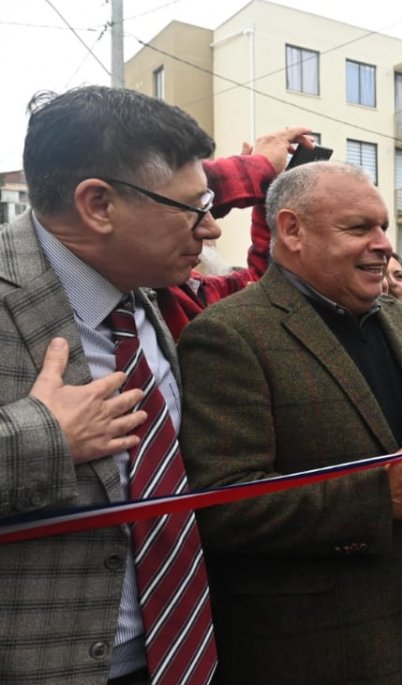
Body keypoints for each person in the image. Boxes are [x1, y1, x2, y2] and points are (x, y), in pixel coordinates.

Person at [177, 161, 402, 684]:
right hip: (309, 652)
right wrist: (378, 499)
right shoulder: (228, 336)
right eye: (359, 228)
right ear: (292, 230)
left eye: (383, 227)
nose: (383, 245)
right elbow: (222, 506)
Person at [0, 85, 219, 684]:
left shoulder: (143, 297)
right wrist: (43, 437)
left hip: (178, 654)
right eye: (192, 207)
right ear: (98, 204)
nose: (210, 230)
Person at [157, 125, 316, 340]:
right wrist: (258, 168)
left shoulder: (194, 289)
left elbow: (264, 281)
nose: (213, 230)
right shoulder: (148, 284)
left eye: (209, 207)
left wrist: (270, 194)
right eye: (194, 208)